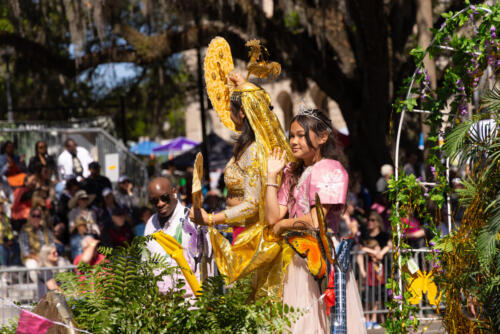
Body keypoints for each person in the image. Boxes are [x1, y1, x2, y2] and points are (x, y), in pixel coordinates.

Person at [189, 67, 293, 298]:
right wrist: (240, 86)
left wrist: (211, 219)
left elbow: (252, 204)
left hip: (254, 238)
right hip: (241, 232)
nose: (227, 111)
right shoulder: (246, 148)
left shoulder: (255, 150)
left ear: (243, 113)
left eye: (232, 107)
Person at [265, 108, 366, 333]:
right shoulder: (291, 171)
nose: (294, 141)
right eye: (291, 135)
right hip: (296, 256)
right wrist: (272, 177)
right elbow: (273, 216)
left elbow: (316, 220)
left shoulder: (330, 169)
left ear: (322, 138)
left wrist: (283, 226)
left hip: (322, 255)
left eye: (301, 135)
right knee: (297, 320)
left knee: (323, 321)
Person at [145, 177, 212, 294]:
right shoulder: (151, 223)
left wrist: (204, 305)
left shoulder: (194, 221)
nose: (160, 204)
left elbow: (207, 270)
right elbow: (145, 264)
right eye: (154, 201)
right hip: (158, 306)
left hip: (189, 304)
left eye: (164, 198)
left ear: (174, 193)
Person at [19, 207, 54, 281]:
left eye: (38, 216)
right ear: (30, 217)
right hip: (33, 258)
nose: (36, 218)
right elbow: (26, 252)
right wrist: (38, 258)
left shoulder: (46, 230)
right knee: (32, 266)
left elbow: (52, 245)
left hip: (47, 256)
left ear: (41, 218)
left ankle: (62, 287)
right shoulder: (24, 232)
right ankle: (40, 287)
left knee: (61, 262)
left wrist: (49, 256)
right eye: (33, 216)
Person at [359, 239, 384, 330]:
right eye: (376, 246)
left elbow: (380, 255)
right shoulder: (368, 256)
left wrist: (376, 251)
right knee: (368, 302)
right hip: (369, 281)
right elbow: (361, 249)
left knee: (376, 302)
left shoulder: (379, 255)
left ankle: (374, 320)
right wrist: (372, 251)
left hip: (378, 281)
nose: (378, 248)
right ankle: (367, 320)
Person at [0, 196, 21, 266]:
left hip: (5, 240)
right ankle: (5, 271)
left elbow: (8, 232)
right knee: (3, 249)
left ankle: (15, 270)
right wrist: (3, 243)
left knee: (16, 246)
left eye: (1, 204)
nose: (1, 206)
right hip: (1, 244)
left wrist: (10, 240)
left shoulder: (4, 217)